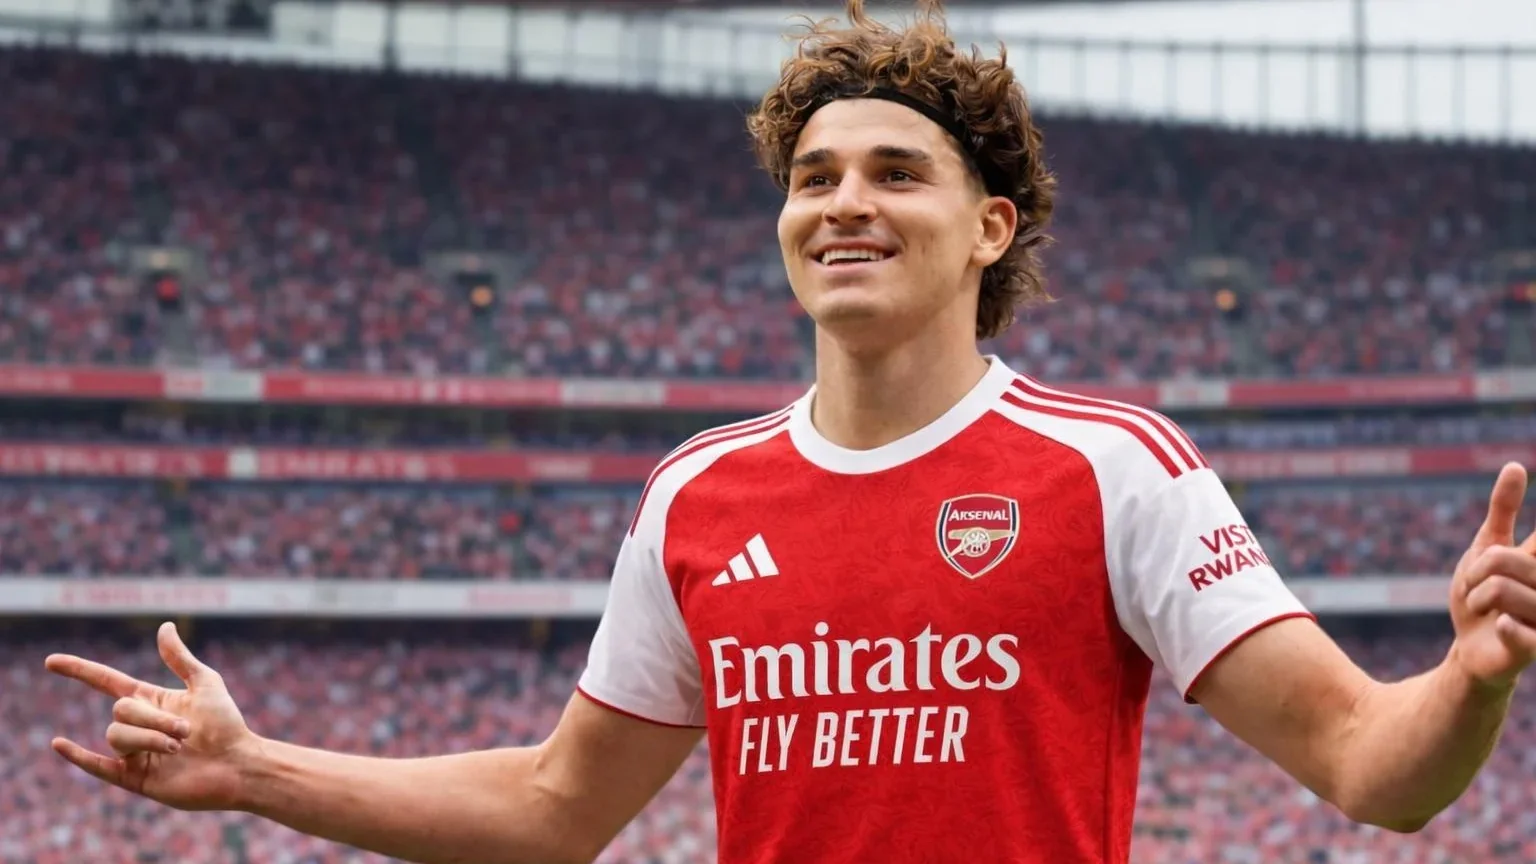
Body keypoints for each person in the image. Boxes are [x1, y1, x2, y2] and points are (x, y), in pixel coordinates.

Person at [45, 2, 1536, 862]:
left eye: (898, 171)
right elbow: (560, 807)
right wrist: (258, 773)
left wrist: (1465, 681)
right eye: (815, 175)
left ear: (986, 227)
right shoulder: (697, 494)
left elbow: (1365, 765)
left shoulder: (1111, 467)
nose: (845, 203)